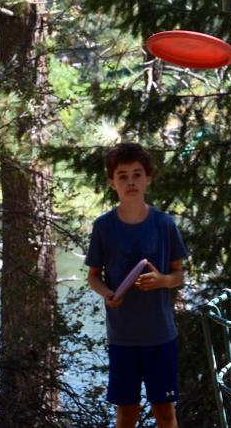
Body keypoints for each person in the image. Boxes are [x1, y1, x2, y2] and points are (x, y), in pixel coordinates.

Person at [86, 143, 187, 428]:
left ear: (148, 178)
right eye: (122, 176)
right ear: (111, 182)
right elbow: (94, 275)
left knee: (165, 411)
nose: (130, 181)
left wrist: (161, 281)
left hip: (160, 336)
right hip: (122, 338)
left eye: (137, 174)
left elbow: (178, 276)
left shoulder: (164, 224)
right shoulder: (104, 227)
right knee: (127, 413)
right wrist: (108, 294)